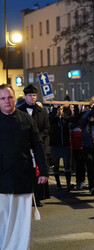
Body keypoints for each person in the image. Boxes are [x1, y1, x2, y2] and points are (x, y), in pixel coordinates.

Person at [0, 84, 48, 250]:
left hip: (23, 177)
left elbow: (38, 145)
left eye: (10, 97)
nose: (7, 101)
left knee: (21, 220)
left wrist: (43, 171)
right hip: (1, 178)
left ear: (15, 98)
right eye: (3, 98)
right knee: (3, 220)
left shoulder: (27, 119)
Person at [18, 84, 50, 207]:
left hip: (38, 146)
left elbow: (46, 128)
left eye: (34, 95)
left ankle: (37, 197)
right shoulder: (19, 111)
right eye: (30, 95)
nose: (32, 98)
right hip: (24, 148)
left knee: (38, 172)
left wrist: (37, 140)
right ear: (25, 97)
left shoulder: (42, 111)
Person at [49, 105, 73, 191]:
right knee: (56, 166)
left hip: (65, 145)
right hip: (55, 146)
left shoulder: (65, 118)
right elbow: (50, 119)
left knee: (67, 165)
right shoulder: (52, 119)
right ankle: (58, 183)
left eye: (61, 109)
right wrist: (54, 110)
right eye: (58, 109)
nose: (60, 111)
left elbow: (73, 120)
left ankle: (68, 183)